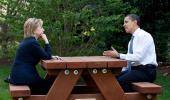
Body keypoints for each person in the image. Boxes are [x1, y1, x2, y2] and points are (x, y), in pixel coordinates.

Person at [103, 14, 157, 92]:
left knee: (117, 82)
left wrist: (118, 55)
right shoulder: (132, 40)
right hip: (136, 70)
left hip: (146, 71)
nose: (124, 25)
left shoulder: (143, 35)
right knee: (113, 80)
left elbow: (138, 57)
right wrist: (122, 70)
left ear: (135, 22)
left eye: (126, 22)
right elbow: (130, 61)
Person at [5, 18, 53, 94]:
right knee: (53, 89)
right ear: (34, 30)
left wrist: (50, 56)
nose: (43, 30)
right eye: (41, 27)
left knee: (52, 86)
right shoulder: (32, 42)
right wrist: (46, 41)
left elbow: (43, 55)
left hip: (19, 76)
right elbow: (47, 56)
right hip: (24, 77)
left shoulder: (28, 41)